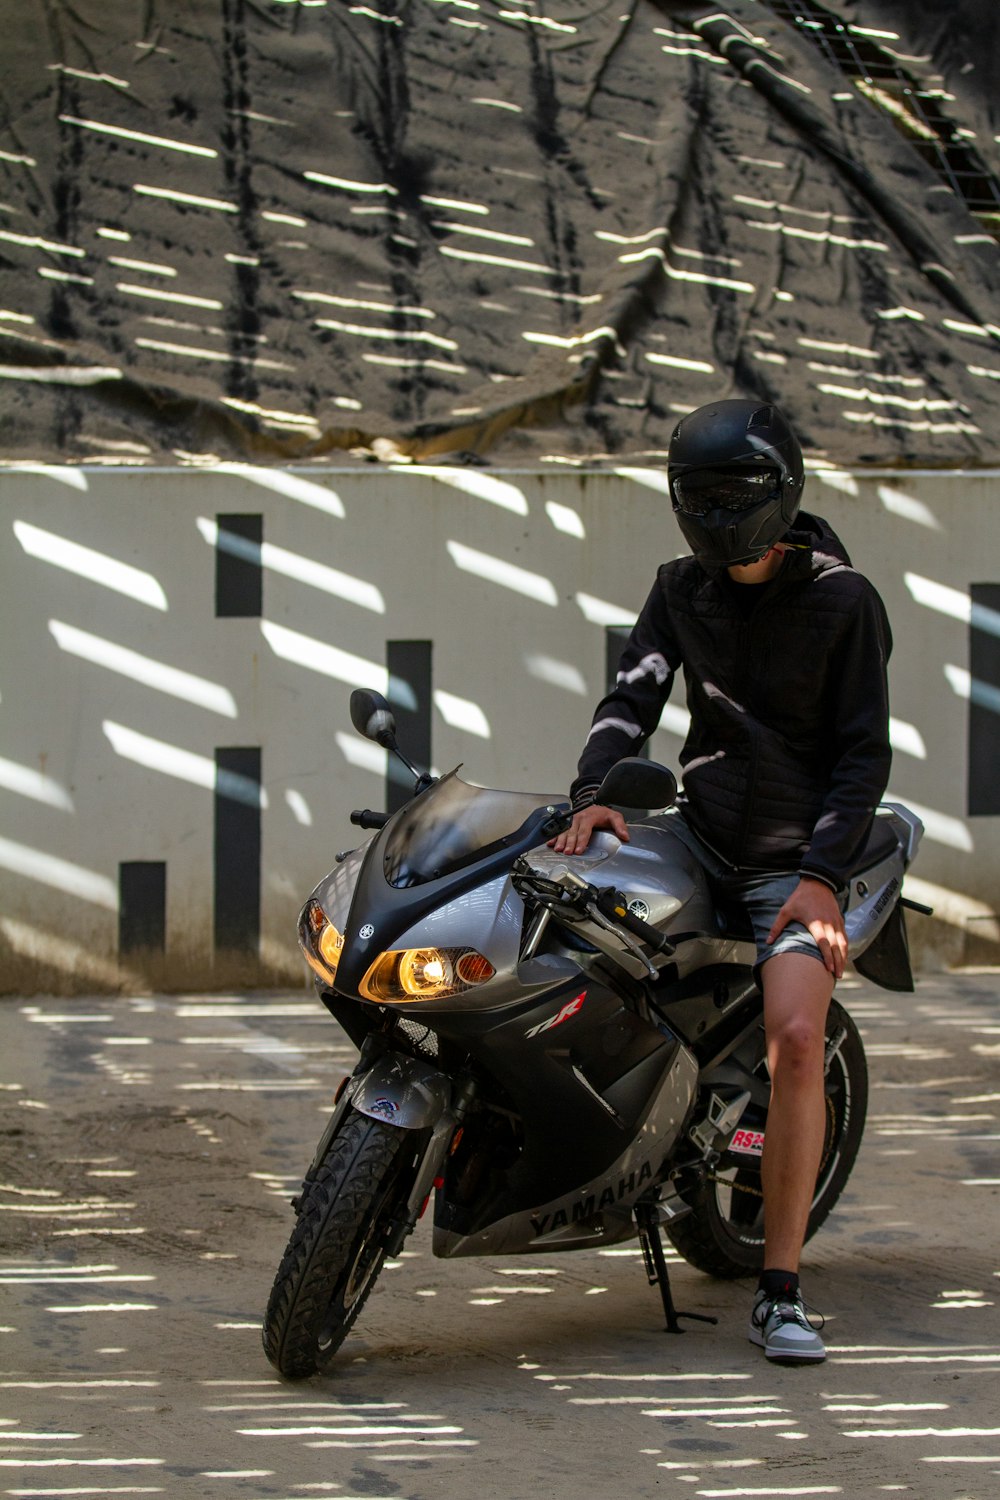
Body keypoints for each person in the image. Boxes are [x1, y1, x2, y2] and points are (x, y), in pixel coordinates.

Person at [550, 398, 892, 1364]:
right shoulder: (677, 587)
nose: (716, 511)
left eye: (735, 491)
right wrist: (596, 792)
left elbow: (863, 757)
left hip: (794, 861)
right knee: (571, 945)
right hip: (694, 832)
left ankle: (780, 1290)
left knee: (793, 1036)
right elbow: (634, 697)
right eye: (699, 494)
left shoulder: (845, 599)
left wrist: (821, 879)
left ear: (782, 491)